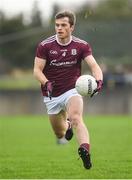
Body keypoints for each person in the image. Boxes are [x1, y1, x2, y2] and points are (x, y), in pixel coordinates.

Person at [33, 10, 103, 169]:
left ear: (72, 27)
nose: (59, 28)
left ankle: (85, 149)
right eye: (57, 25)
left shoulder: (81, 45)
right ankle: (68, 126)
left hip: (73, 90)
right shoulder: (45, 46)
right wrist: (46, 82)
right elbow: (36, 70)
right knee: (60, 133)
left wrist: (99, 81)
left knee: (76, 117)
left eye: (63, 25)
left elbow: (94, 66)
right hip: (51, 94)